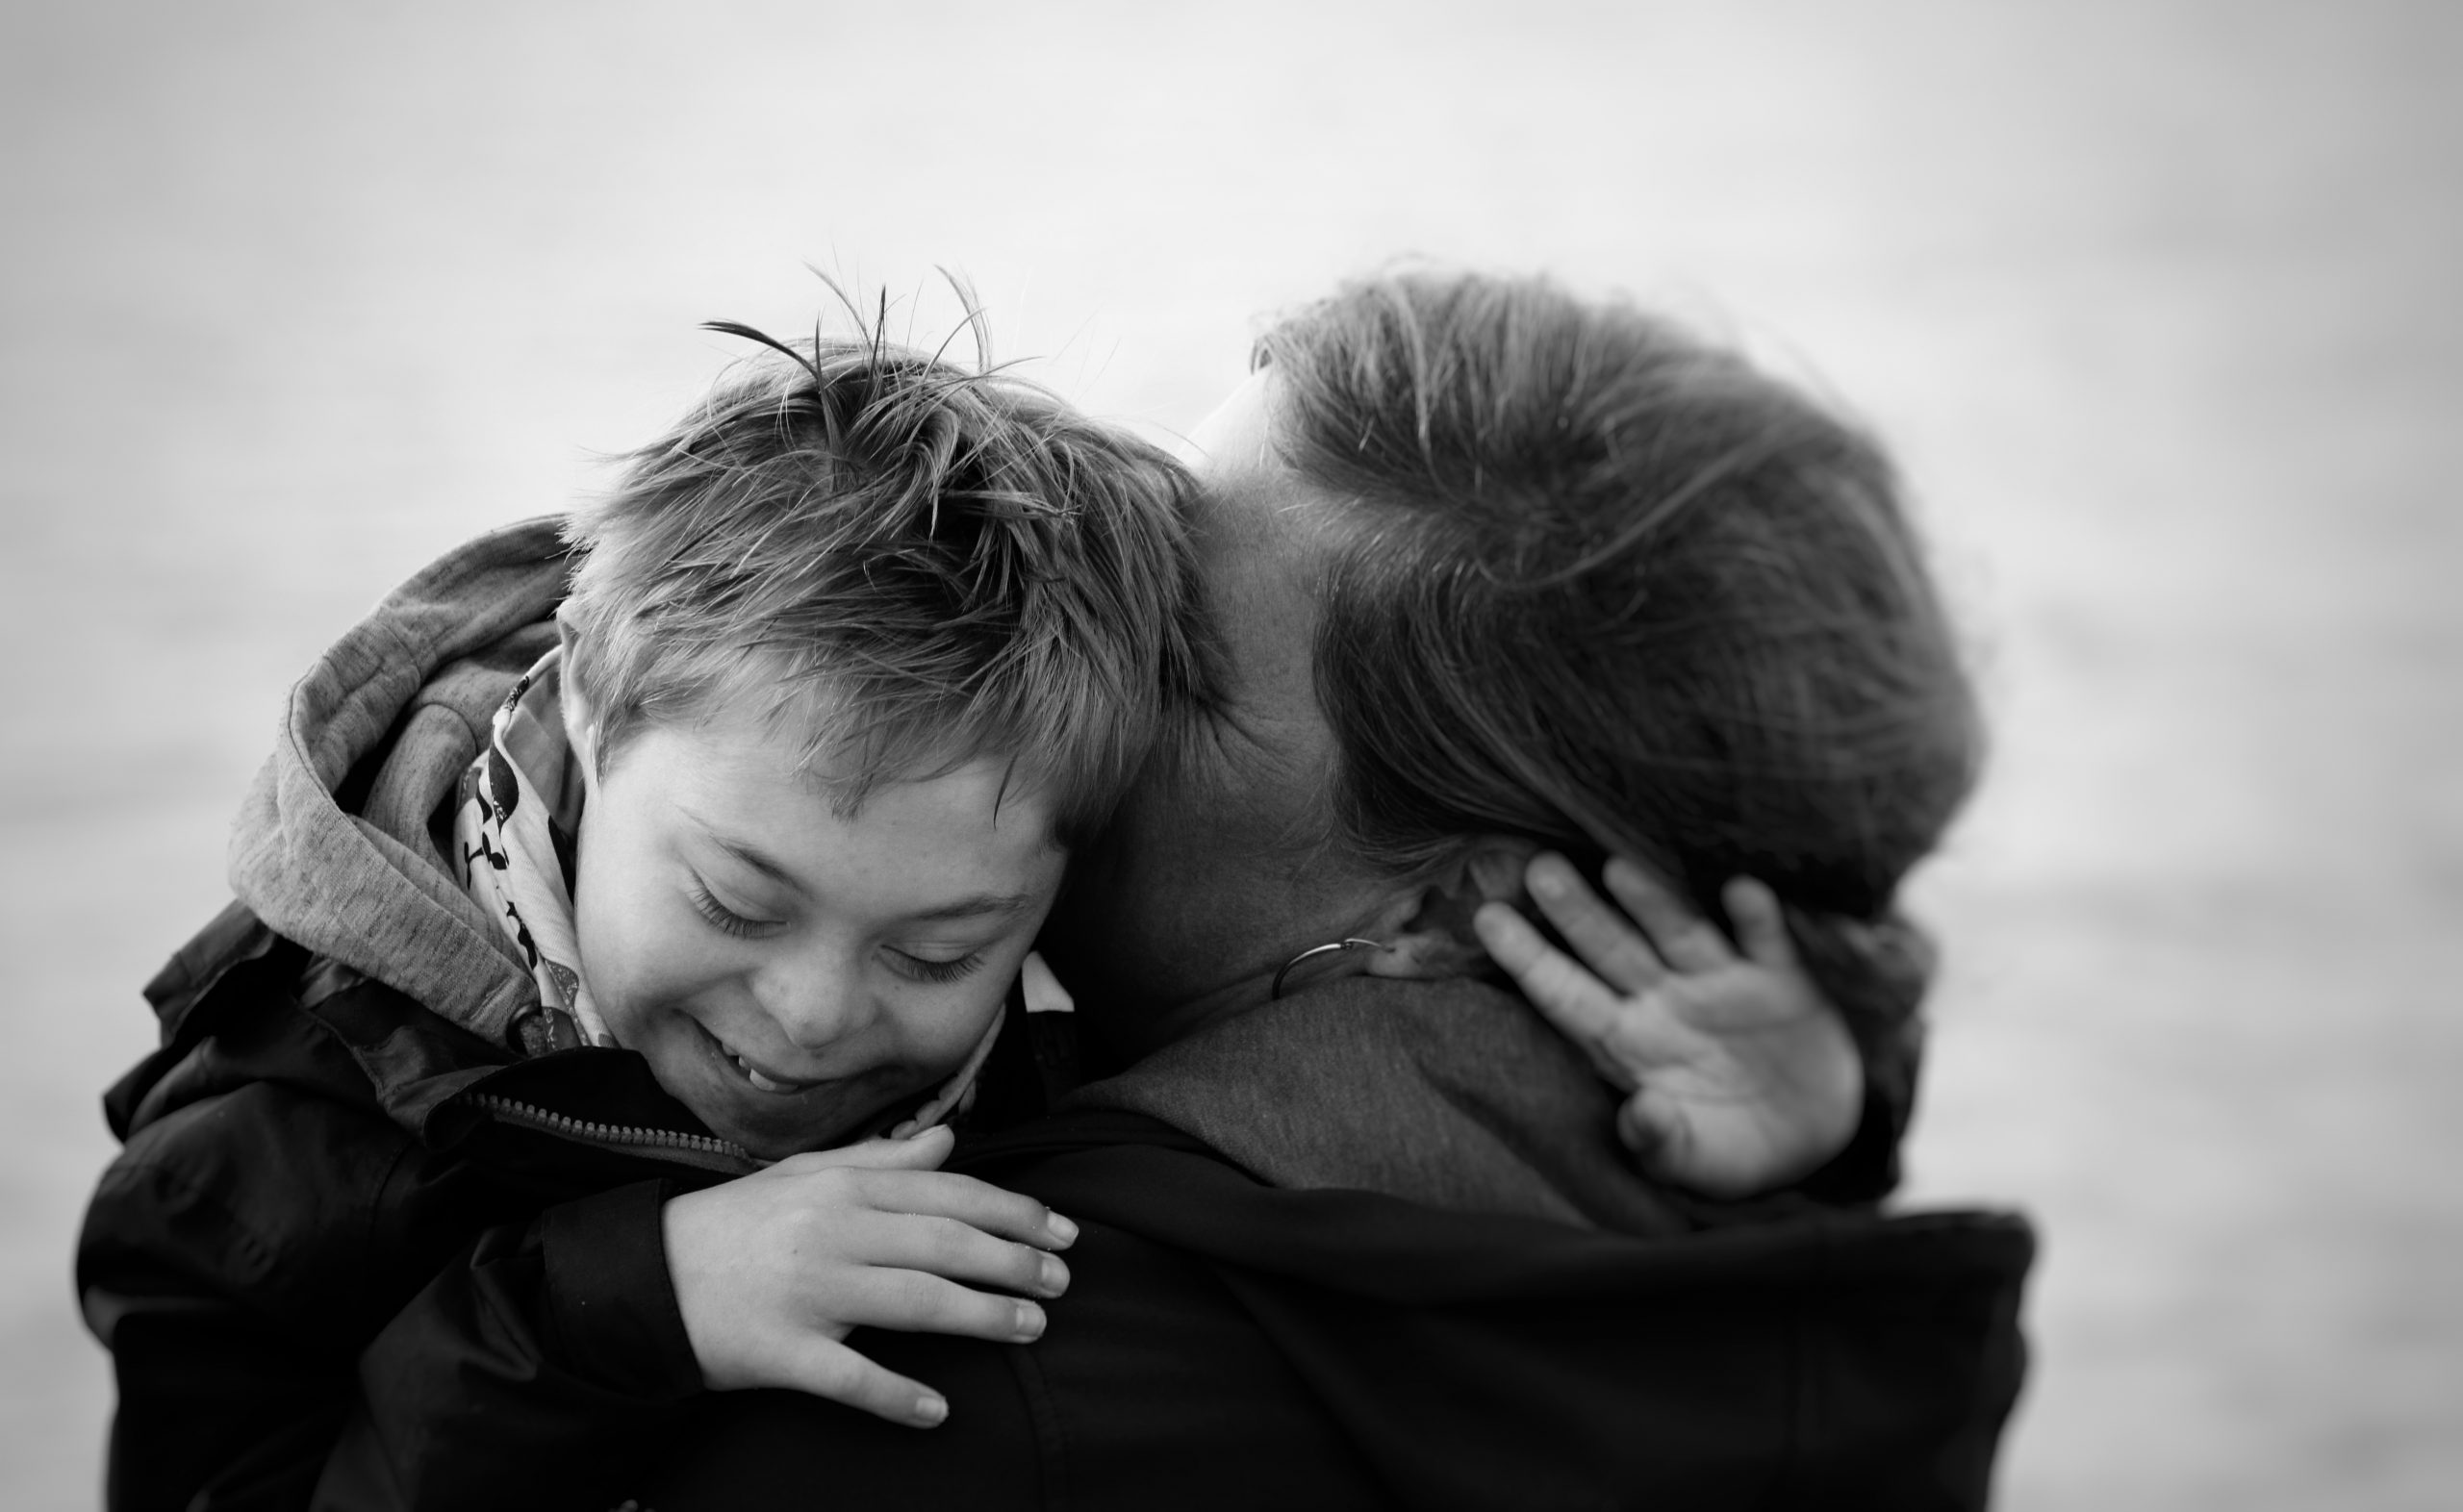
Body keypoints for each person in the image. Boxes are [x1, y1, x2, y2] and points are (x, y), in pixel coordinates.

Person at [77, 294, 1865, 1512]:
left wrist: (1800, 1142)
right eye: (737, 898)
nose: (813, 1015)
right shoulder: (266, 1160)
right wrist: (618, 1304)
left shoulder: (1082, 953)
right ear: (594, 717)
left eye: (942, 951)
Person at [626, 270, 2034, 1511]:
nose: (1066, 635)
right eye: (1144, 520)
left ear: (1452, 904)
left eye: (1179, 664)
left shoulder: (948, 1376)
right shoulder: (1811, 1320)